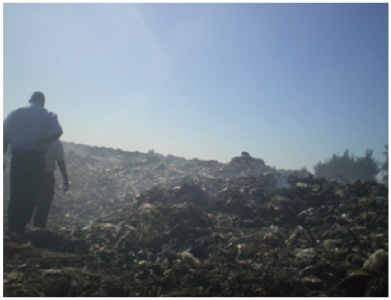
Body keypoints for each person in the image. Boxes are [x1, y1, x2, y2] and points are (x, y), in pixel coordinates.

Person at [3, 91, 63, 234]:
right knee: (31, 193)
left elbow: (4, 136)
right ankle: (21, 226)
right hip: (36, 159)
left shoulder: (16, 113)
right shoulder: (47, 114)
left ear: (30, 100)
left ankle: (12, 227)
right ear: (42, 102)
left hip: (19, 157)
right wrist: (46, 142)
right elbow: (58, 131)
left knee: (16, 192)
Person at [33, 139, 69, 228]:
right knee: (44, 203)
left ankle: (19, 228)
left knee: (28, 201)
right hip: (46, 176)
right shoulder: (56, 142)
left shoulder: (33, 137)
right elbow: (60, 162)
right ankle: (38, 227)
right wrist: (65, 179)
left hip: (31, 175)